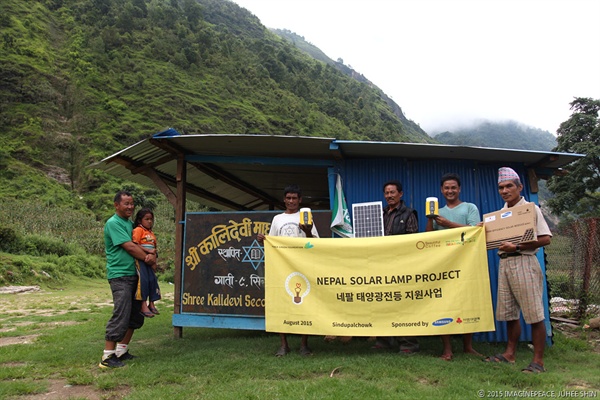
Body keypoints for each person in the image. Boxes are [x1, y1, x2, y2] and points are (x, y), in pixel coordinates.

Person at [483, 167, 552, 374]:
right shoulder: (502, 214)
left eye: (509, 186)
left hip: (524, 261)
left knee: (534, 314)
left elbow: (545, 238)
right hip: (505, 263)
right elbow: (493, 237)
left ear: (520, 187)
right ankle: (509, 354)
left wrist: (518, 246)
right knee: (509, 313)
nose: (504, 191)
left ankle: (538, 362)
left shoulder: (531, 209)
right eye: (501, 187)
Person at [425, 173, 482, 361]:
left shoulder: (470, 207)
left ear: (459, 189)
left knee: (467, 303)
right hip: (445, 263)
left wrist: (448, 224)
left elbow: (475, 231)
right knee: (445, 304)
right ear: (441, 190)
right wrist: (431, 219)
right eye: (446, 188)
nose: (450, 191)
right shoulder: (438, 211)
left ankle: (468, 346)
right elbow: (428, 237)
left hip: (467, 262)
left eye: (453, 187)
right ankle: (447, 349)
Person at [257, 184, 319, 357]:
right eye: (288, 198)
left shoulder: (306, 216)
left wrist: (307, 231)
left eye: (295, 198)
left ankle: (304, 344)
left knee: (305, 302)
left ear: (300, 200)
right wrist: (264, 240)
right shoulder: (277, 219)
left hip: (302, 265)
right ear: (284, 200)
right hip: (282, 266)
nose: (291, 201)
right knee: (281, 303)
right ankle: (284, 345)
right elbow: (273, 242)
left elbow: (314, 242)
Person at [100, 191, 156, 369]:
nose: (130, 207)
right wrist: (149, 258)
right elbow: (130, 247)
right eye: (126, 204)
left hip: (135, 275)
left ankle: (121, 351)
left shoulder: (131, 224)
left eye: (132, 203)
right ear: (116, 205)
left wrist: (151, 254)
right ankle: (107, 357)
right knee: (122, 312)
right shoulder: (113, 223)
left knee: (135, 314)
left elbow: (142, 242)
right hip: (120, 275)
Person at [374, 180, 419, 354]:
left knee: (404, 303)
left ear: (401, 194)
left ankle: (408, 343)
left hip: (401, 265)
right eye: (386, 193)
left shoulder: (408, 214)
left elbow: (412, 240)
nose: (389, 196)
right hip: (381, 264)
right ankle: (383, 340)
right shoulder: (380, 214)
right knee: (382, 301)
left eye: (392, 192)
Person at [133, 208, 161, 317]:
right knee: (143, 281)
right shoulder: (138, 230)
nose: (149, 221)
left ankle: (152, 303)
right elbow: (135, 244)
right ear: (140, 220)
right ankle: (143, 304)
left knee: (152, 280)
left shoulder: (151, 233)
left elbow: (154, 247)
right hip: (141, 259)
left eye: (151, 219)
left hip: (151, 260)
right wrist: (147, 251)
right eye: (147, 219)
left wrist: (154, 258)